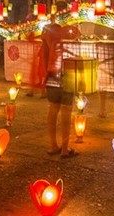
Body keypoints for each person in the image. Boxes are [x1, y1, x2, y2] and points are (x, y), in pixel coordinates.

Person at [42, 13, 79, 158]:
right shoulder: (70, 31)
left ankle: (53, 145)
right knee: (66, 110)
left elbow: (43, 55)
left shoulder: (47, 33)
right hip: (68, 73)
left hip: (51, 73)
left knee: (53, 108)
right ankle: (64, 148)